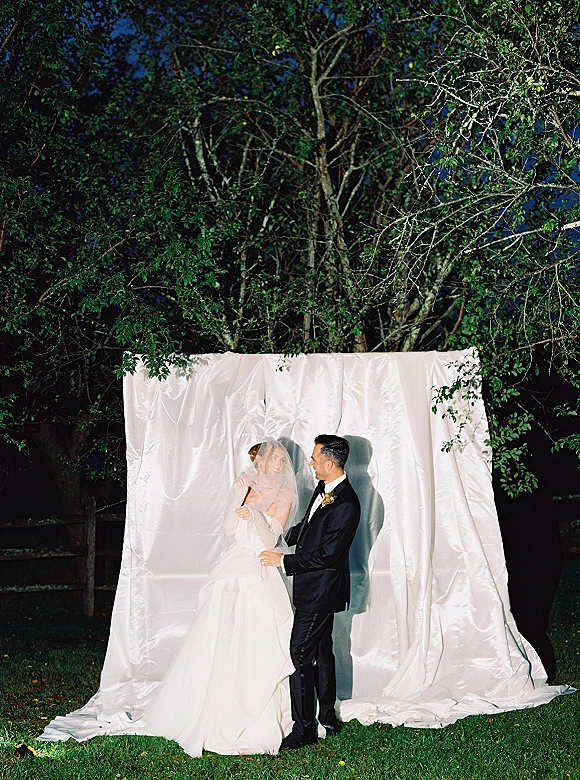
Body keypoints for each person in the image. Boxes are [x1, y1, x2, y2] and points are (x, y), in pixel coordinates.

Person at [141, 440, 297, 756]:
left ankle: (256, 709)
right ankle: (209, 706)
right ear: (263, 461)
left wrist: (256, 518)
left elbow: (272, 538)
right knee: (220, 633)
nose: (281, 464)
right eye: (277, 458)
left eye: (284, 459)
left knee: (258, 637)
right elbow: (228, 530)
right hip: (233, 567)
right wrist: (238, 497)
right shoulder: (244, 485)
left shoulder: (284, 495)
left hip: (259, 566)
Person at [259, 435, 361, 750]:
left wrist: (284, 560)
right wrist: (273, 532)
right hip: (315, 588)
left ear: (330, 463)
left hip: (321, 591)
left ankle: (303, 730)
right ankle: (327, 716)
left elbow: (327, 555)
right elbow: (308, 527)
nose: (311, 463)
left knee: (299, 653)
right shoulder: (324, 489)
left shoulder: (346, 504)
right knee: (320, 651)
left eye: (315, 458)